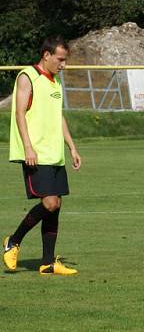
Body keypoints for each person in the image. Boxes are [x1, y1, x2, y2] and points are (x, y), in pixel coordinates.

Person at [3, 36, 82, 276]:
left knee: (55, 207)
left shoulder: (55, 81)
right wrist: (28, 146)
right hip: (35, 153)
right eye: (60, 59)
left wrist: (71, 147)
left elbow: (58, 117)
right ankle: (13, 241)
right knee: (50, 203)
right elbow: (18, 113)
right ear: (46, 55)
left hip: (54, 153)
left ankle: (48, 263)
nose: (63, 65)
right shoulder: (28, 76)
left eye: (65, 60)